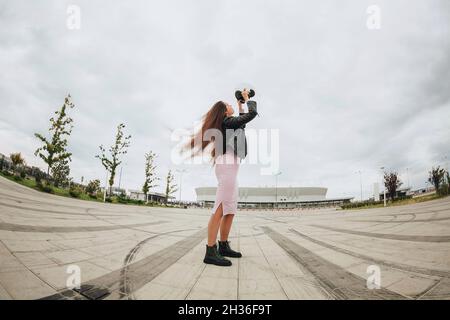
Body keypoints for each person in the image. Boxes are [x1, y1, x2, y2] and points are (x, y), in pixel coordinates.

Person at [183, 89, 258, 266]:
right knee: (220, 208)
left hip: (231, 167)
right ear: (224, 112)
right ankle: (210, 251)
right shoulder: (226, 122)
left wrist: (240, 104)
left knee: (230, 209)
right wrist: (247, 100)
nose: (231, 104)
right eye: (228, 105)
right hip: (226, 167)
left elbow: (241, 124)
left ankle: (223, 245)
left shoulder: (230, 123)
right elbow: (251, 115)